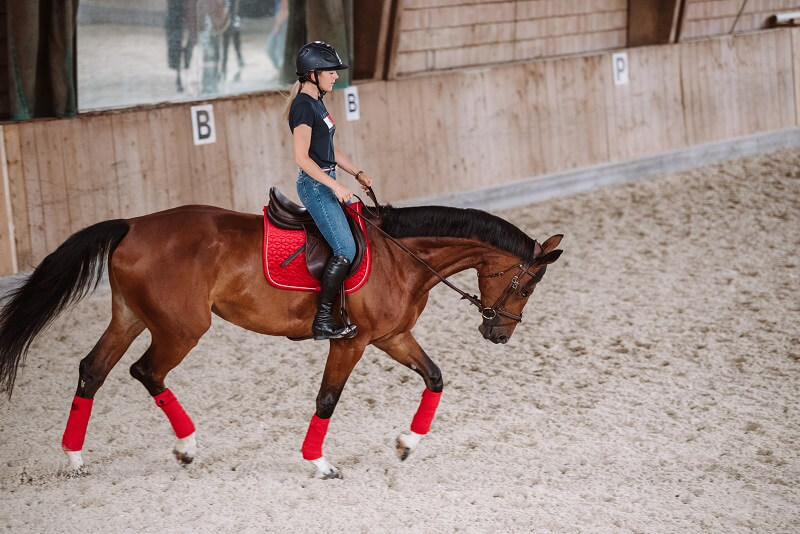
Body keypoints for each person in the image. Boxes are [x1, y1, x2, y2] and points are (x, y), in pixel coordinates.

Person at [284, 41, 373, 341]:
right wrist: (335, 186)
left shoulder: (317, 103)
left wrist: (357, 173)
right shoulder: (302, 107)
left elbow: (329, 149)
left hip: (327, 178)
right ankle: (322, 320)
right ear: (313, 74)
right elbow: (301, 157)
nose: (335, 76)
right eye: (331, 72)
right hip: (315, 185)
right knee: (345, 249)